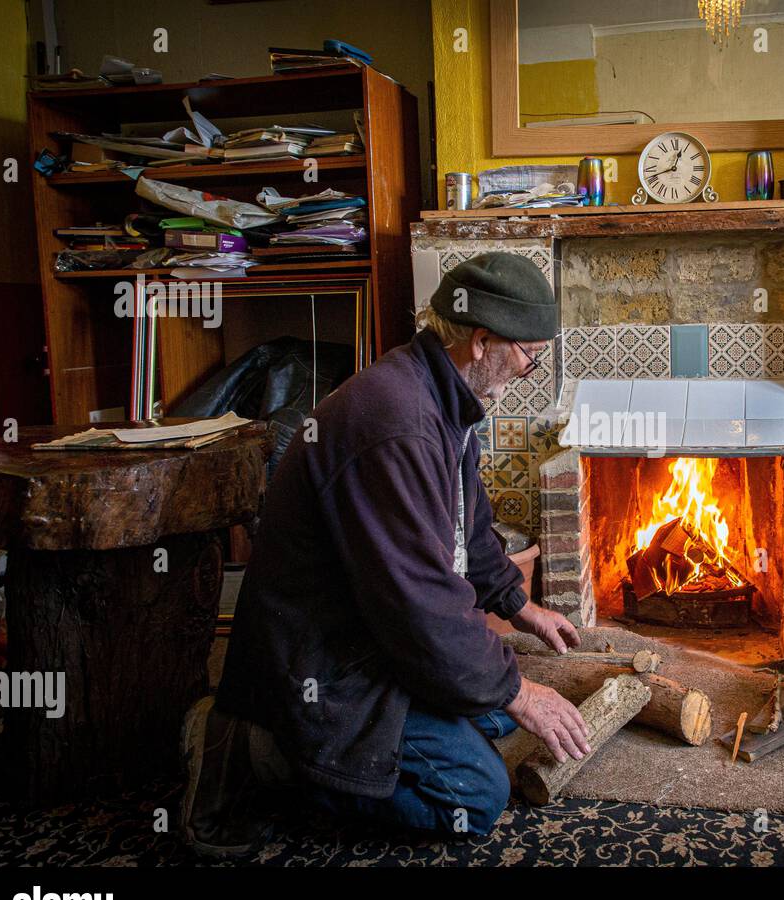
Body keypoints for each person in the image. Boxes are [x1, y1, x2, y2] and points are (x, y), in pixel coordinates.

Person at [180, 252, 590, 858]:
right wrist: (522, 692)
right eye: (528, 356)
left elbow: (469, 522)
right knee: (476, 795)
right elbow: (422, 607)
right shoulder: (397, 424)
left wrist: (518, 605)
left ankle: (333, 740)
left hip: (375, 632)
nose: (528, 371)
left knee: (493, 711)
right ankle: (257, 750)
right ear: (482, 342)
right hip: (326, 660)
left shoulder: (440, 396)